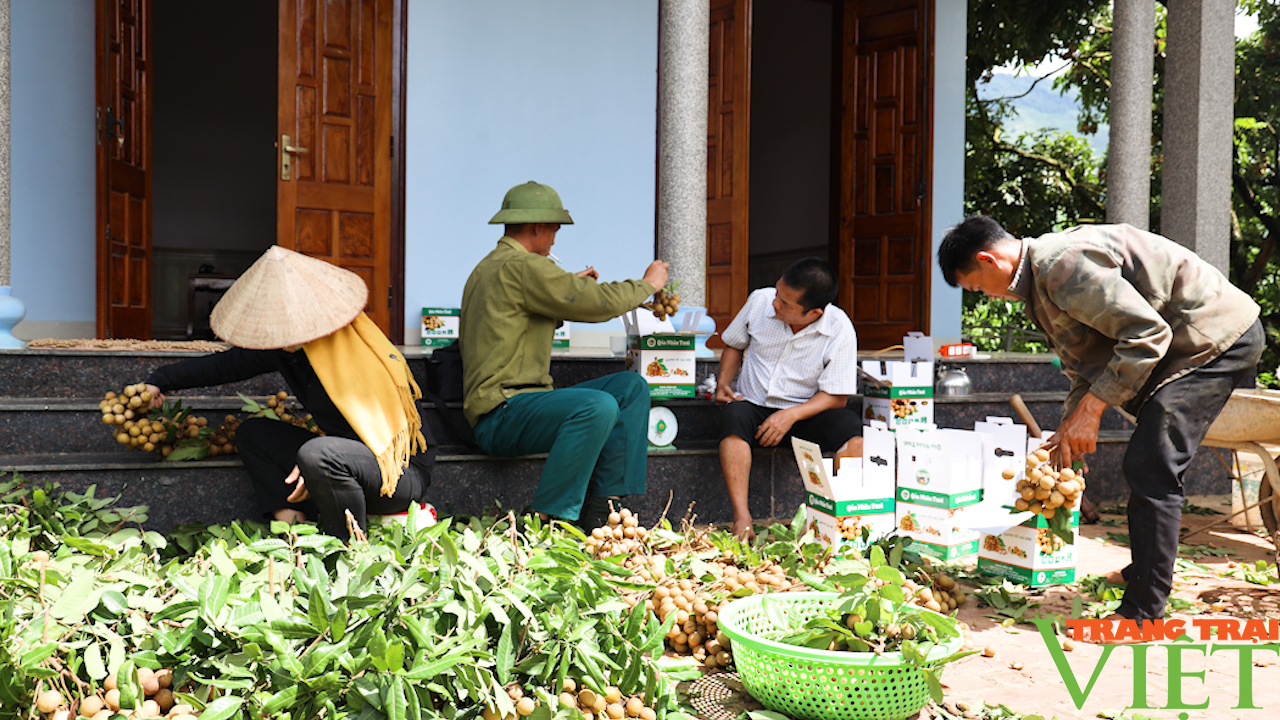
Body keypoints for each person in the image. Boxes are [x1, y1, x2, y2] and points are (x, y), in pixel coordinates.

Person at [938, 216, 1262, 634]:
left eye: (978, 286)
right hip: (1180, 347)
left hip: (1214, 338)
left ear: (988, 259)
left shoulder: (1060, 265)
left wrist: (1091, 413)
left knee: (1151, 465)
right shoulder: (1040, 283)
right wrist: (1070, 427)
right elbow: (1083, 367)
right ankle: (1144, 572)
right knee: (1148, 461)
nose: (987, 296)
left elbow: (1146, 336)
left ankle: (1142, 615)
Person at [143, 246, 436, 541]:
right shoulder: (290, 346)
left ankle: (344, 549)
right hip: (341, 463)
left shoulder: (358, 355)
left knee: (318, 454)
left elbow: (380, 435)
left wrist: (320, 462)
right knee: (255, 434)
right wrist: (160, 381)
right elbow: (227, 365)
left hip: (397, 474)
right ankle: (294, 536)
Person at [460, 181, 669, 529]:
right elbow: (598, 303)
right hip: (502, 413)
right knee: (596, 406)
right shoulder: (525, 267)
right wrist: (647, 284)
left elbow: (519, 313)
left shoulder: (492, 267)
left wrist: (563, 285)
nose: (555, 238)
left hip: (518, 407)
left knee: (631, 388)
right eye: (555, 228)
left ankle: (605, 513)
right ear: (538, 226)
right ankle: (549, 520)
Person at [715, 257, 863, 540]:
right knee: (733, 416)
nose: (775, 304)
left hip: (805, 414)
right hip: (755, 407)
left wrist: (791, 415)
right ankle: (742, 517)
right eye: (777, 293)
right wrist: (723, 381)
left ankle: (826, 520)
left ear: (814, 313)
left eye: (786, 303)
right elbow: (734, 344)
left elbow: (836, 396)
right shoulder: (760, 301)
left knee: (854, 434)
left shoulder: (840, 328)